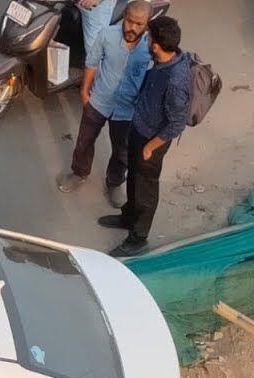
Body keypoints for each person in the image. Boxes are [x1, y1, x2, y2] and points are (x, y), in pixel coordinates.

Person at [99, 15, 190, 258]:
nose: (146, 40)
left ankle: (138, 238)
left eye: (149, 38)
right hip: (140, 128)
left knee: (145, 189)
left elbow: (176, 123)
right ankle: (128, 217)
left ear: (156, 46)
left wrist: (151, 147)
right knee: (133, 179)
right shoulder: (163, 61)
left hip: (152, 140)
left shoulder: (175, 81)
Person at [57, 0, 151, 208]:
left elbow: (153, 80)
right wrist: (84, 92)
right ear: (123, 17)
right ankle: (79, 172)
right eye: (129, 21)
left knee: (122, 150)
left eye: (138, 24)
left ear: (147, 24)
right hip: (99, 100)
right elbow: (92, 62)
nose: (132, 28)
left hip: (127, 110)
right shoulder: (107, 34)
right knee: (84, 141)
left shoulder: (151, 48)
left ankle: (115, 182)